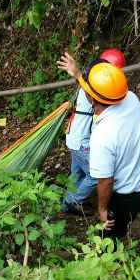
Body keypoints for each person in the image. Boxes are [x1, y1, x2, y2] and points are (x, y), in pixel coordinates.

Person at [79, 61, 140, 276]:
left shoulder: (102, 135)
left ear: (91, 98)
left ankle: (104, 272)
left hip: (127, 194)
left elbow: (105, 181)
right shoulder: (131, 99)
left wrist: (102, 209)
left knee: (111, 233)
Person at [56, 49, 126, 216]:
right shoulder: (94, 87)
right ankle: (71, 201)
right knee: (95, 175)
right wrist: (77, 73)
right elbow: (91, 90)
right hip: (81, 141)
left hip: (73, 137)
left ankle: (69, 198)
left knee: (77, 172)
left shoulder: (90, 81)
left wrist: (79, 74)